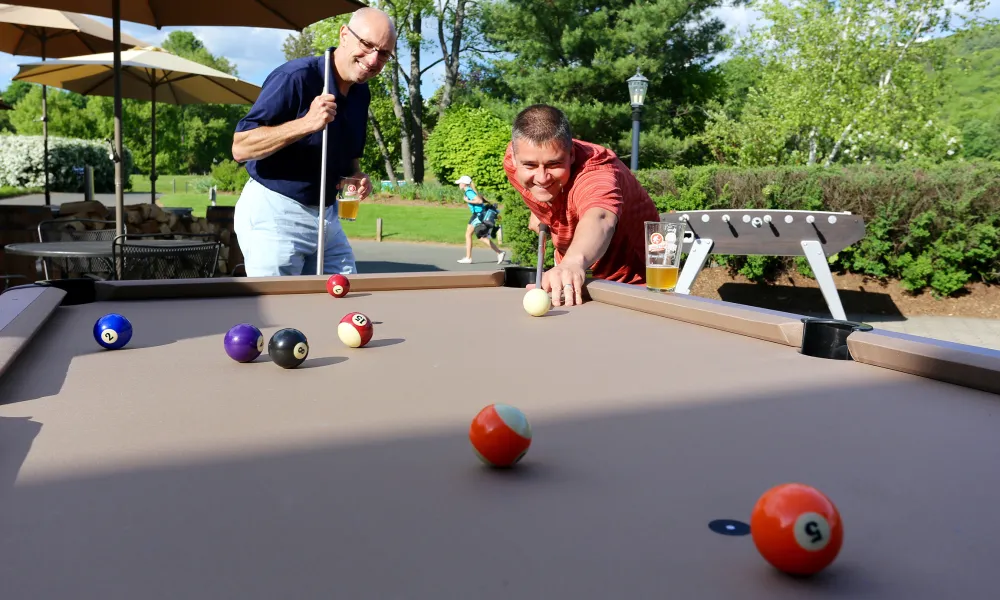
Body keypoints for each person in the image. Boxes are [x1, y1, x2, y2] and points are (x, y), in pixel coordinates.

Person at [230, 7, 397, 277]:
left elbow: (350, 153)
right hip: (276, 213)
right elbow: (241, 147)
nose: (373, 59)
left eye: (384, 53)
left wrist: (355, 175)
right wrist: (307, 123)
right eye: (367, 45)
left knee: (344, 295)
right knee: (281, 311)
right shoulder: (295, 77)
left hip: (327, 217)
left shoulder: (360, 93)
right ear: (344, 34)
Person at [502, 104, 660, 307]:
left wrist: (572, 262)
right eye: (530, 165)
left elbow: (600, 217)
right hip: (572, 280)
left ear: (572, 155)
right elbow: (546, 193)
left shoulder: (596, 172)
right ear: (514, 158)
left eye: (554, 164)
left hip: (632, 289)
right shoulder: (513, 161)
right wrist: (542, 210)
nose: (541, 178)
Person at [454, 175, 505, 264]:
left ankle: (468, 258)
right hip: (478, 215)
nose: (459, 184)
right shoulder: (469, 191)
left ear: (464, 184)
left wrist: (467, 201)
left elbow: (479, 201)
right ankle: (499, 252)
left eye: (460, 183)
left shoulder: (469, 192)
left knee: (469, 234)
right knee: (480, 237)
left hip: (478, 215)